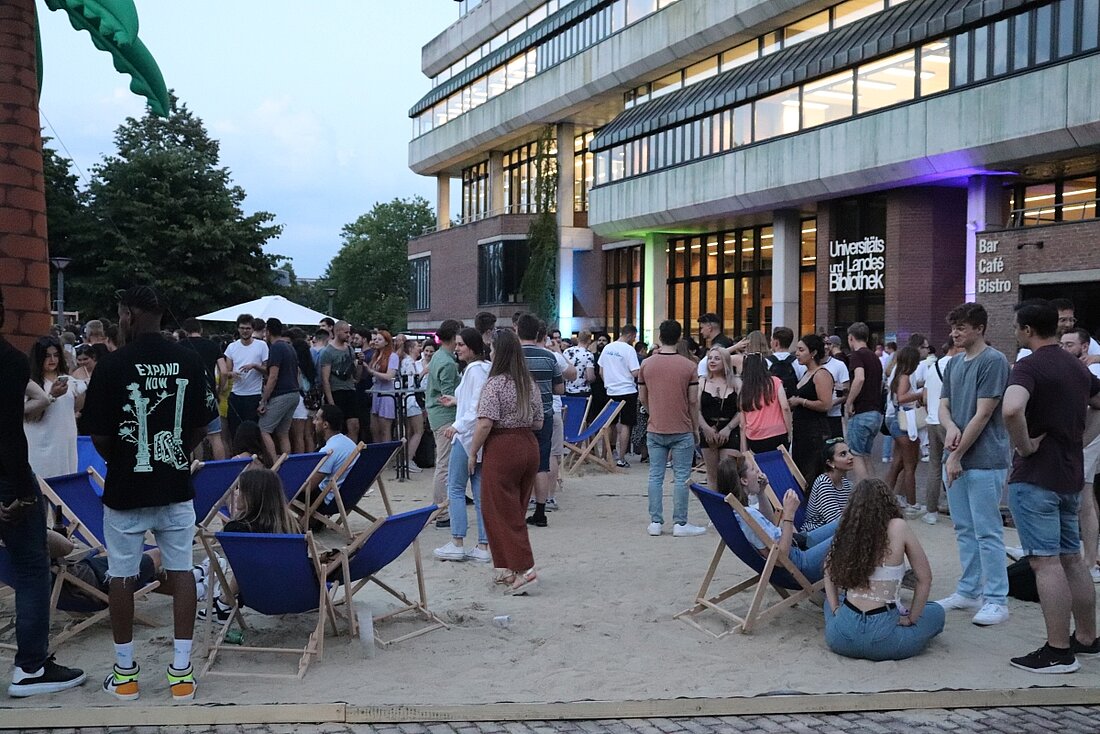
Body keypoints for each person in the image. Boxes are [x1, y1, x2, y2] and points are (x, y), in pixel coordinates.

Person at [83, 285, 215, 702]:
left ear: (130, 316)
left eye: (121, 313)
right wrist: (174, 452)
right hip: (175, 485)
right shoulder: (189, 360)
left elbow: (100, 435)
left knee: (120, 575)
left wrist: (125, 458)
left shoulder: (112, 365)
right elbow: (200, 427)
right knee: (180, 571)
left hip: (126, 488)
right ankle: (181, 674)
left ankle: (125, 676)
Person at [1003, 300, 1100, 673]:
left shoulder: (1029, 365)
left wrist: (1024, 445)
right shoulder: (1075, 367)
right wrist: (1083, 439)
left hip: (1037, 476)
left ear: (1027, 330)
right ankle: (1088, 637)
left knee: (1045, 563)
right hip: (1069, 475)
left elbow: (1012, 409)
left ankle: (1058, 650)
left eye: (1016, 327)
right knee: (1072, 558)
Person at [1, 289, 87, 697]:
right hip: (9, 480)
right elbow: (10, 436)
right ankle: (31, 668)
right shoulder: (11, 364)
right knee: (33, 569)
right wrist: (21, 492)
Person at [935, 302, 1011, 627]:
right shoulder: (953, 364)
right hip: (956, 457)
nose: (954, 333)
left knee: (988, 531)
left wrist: (956, 455)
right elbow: (943, 405)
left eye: (961, 328)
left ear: (979, 328)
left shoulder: (993, 361)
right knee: (965, 528)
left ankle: (996, 598)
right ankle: (968, 590)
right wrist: (950, 427)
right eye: (953, 328)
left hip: (983, 460)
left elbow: (984, 414)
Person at [823, 478, 944, 661]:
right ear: (887, 501)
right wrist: (911, 618)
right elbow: (924, 578)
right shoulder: (898, 527)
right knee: (936, 612)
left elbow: (828, 570)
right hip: (883, 637)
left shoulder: (849, 527)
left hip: (841, 636)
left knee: (831, 603)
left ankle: (837, 615)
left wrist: (835, 608)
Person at [466, 329, 543, 595]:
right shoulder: (528, 382)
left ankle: (525, 569)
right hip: (528, 445)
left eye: (492, 349)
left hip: (502, 447)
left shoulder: (496, 383)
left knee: (498, 510)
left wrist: (473, 451)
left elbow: (485, 422)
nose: (489, 352)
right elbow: (538, 421)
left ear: (499, 352)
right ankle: (510, 569)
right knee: (515, 509)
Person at [718, 455, 836, 583]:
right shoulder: (748, 515)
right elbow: (781, 558)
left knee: (846, 521)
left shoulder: (739, 511)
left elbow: (769, 523)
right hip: (800, 563)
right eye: (753, 469)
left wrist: (761, 493)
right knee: (851, 534)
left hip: (798, 544)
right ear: (744, 481)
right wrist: (789, 515)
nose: (758, 471)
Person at [638, 320, 706, 537]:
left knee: (655, 475)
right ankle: (680, 522)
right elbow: (693, 401)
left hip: (656, 426)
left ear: (660, 336)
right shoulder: (689, 366)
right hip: (682, 426)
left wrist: (653, 411)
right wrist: (695, 428)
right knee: (681, 475)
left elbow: (642, 396)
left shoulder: (647, 364)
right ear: (679, 338)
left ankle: (655, 521)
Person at [433, 328, 493, 563]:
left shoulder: (474, 371)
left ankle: (458, 541)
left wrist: (458, 425)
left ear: (472, 347)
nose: (457, 348)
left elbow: (477, 405)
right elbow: (474, 401)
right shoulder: (482, 369)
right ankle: (483, 544)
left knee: (455, 488)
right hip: (474, 435)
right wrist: (456, 401)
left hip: (467, 436)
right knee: (479, 491)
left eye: (461, 345)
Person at [516, 314, 566, 528]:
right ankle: (540, 511)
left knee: (518, 465)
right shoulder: (549, 357)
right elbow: (559, 388)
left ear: (517, 331)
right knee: (541, 464)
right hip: (544, 415)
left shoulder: (513, 356)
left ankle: (518, 509)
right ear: (538, 333)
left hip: (518, 418)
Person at [1061, 327, 1100, 582]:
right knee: (1085, 500)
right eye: (1062, 343)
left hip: (1086, 442)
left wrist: (1085, 441)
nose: (1064, 348)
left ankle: (1089, 561)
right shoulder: (1076, 368)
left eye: (1069, 344)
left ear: (1084, 347)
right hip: (1082, 442)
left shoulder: (1091, 371)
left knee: (1084, 501)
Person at [24, 336, 85, 479]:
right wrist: (51, 396)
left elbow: (75, 408)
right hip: (41, 444)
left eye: (56, 355)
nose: (52, 360)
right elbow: (28, 415)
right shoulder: (31, 383)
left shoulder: (68, 380)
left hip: (65, 442)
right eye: (47, 356)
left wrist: (82, 392)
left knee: (65, 483)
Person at [427, 320, 463, 527]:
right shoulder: (448, 362)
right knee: (444, 464)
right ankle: (440, 511)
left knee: (444, 463)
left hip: (437, 414)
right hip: (445, 416)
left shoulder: (440, 356)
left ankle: (442, 506)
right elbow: (447, 394)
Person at [788, 334, 834, 484]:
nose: (797, 353)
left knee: (812, 472)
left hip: (815, 432)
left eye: (801, 350)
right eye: (797, 350)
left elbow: (826, 404)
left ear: (813, 353)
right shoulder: (806, 373)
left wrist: (801, 401)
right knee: (801, 472)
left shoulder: (821, 374)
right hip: (802, 432)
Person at [884, 346, 924, 517]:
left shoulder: (896, 374)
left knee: (897, 463)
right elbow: (902, 398)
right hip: (905, 422)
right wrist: (920, 393)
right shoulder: (906, 377)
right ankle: (912, 504)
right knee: (910, 465)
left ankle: (885, 498)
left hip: (895, 420)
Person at [921, 341, 958, 525]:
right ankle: (956, 508)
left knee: (934, 467)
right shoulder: (957, 365)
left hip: (932, 420)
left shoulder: (933, 366)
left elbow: (925, 397)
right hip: (949, 422)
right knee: (955, 463)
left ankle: (931, 511)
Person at [179, 319, 225, 461]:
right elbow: (223, 371)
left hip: (188, 395)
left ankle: (196, 469)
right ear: (201, 330)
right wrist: (219, 390)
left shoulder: (179, 346)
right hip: (209, 395)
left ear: (184, 331)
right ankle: (223, 471)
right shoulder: (212, 345)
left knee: (192, 435)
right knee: (215, 436)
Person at [256, 318, 300, 466]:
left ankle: (275, 464)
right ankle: (286, 463)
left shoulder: (276, 348)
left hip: (282, 394)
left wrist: (263, 400)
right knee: (283, 432)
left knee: (264, 429)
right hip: (294, 393)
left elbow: (273, 376)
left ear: (268, 332)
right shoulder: (289, 347)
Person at [844, 322, 884, 483]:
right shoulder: (875, 357)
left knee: (856, 455)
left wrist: (849, 401)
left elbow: (859, 378)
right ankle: (876, 492)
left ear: (851, 338)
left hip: (861, 412)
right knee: (866, 456)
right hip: (876, 412)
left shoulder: (857, 355)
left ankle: (865, 495)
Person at [697, 346, 740, 493]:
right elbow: (695, 409)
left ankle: (733, 507)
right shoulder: (701, 382)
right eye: (710, 358)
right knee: (712, 475)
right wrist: (705, 428)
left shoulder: (736, 383)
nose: (712, 361)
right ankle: (715, 510)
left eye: (717, 358)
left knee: (728, 474)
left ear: (725, 361)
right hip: (708, 428)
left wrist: (728, 428)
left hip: (730, 428)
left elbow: (743, 411)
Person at [598, 325, 641, 467]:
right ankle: (621, 458)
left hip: (611, 390)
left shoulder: (607, 348)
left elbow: (601, 371)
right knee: (626, 425)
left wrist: (609, 383)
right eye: (634, 337)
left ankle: (605, 455)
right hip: (627, 390)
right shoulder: (629, 350)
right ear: (630, 335)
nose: (634, 340)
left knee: (610, 424)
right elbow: (635, 372)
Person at [305, 405, 359, 517]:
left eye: (317, 419)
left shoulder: (328, 450)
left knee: (283, 490)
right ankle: (314, 520)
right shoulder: (350, 444)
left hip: (329, 501)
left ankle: (299, 522)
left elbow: (309, 486)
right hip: (348, 497)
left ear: (325, 425)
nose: (314, 422)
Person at [221, 314, 268, 440]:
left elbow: (267, 370)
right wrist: (233, 374)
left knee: (252, 431)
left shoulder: (261, 346)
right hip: (236, 394)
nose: (245, 331)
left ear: (253, 329)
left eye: (247, 328)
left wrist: (254, 366)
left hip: (253, 395)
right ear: (238, 329)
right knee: (235, 431)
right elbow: (227, 371)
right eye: (242, 328)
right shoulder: (232, 347)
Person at [739, 352, 792, 454]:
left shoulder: (745, 389)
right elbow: (785, 407)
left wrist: (744, 450)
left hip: (755, 436)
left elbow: (742, 424)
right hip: (777, 432)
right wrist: (789, 431)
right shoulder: (775, 382)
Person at [320, 321, 362, 442]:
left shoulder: (349, 349)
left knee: (354, 425)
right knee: (336, 428)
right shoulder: (327, 352)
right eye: (346, 332)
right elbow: (325, 379)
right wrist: (331, 401)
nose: (349, 335)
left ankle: (352, 455)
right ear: (337, 332)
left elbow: (356, 377)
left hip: (350, 390)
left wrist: (359, 363)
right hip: (336, 391)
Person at [803, 439, 855, 532]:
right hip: (815, 536)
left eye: (849, 452)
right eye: (843, 454)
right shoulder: (824, 483)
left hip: (837, 534)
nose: (850, 457)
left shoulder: (847, 484)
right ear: (830, 463)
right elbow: (835, 522)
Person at [398, 339, 425, 472]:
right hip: (411, 401)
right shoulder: (409, 363)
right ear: (410, 349)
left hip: (408, 400)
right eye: (417, 346)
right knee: (418, 430)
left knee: (409, 431)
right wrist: (424, 372)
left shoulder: (407, 362)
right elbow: (411, 383)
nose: (419, 348)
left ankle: (405, 459)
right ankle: (408, 460)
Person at [767, 327, 805, 396]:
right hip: (792, 403)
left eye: (771, 340)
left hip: (771, 403)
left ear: (776, 343)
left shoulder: (766, 362)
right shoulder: (798, 362)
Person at [563, 330, 596, 397]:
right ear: (589, 340)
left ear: (578, 339)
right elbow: (590, 377)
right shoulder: (588, 355)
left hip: (568, 389)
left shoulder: (566, 352)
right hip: (583, 390)